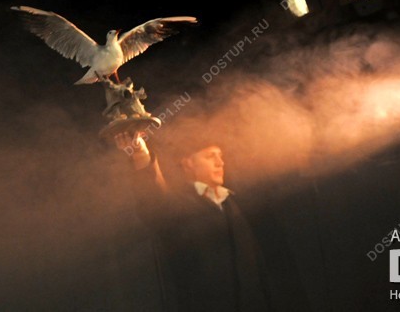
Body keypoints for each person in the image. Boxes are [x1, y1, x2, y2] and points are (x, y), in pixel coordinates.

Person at [115, 131, 307, 312]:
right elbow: (154, 198)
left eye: (220, 156)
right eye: (210, 156)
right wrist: (140, 153)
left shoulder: (235, 203)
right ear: (188, 163)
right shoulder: (179, 206)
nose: (220, 163)